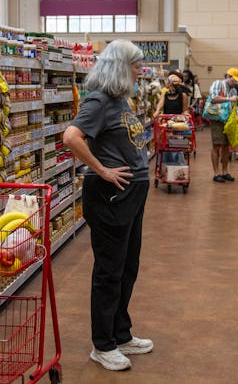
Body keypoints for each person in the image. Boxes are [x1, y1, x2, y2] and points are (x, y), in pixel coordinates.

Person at [63, 39, 153, 372]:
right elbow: (71, 136)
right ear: (120, 66)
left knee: (128, 267)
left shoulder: (120, 100)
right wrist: (101, 169)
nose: (140, 70)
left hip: (131, 197)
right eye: (136, 64)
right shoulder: (99, 101)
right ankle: (102, 345)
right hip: (109, 197)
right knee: (109, 271)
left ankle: (121, 333)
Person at [209, 67, 238, 183]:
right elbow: (213, 98)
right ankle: (216, 173)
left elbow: (234, 106)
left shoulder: (234, 90)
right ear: (227, 76)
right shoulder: (218, 84)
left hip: (228, 121)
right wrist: (229, 99)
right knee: (216, 146)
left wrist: (237, 117)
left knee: (226, 147)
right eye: (233, 80)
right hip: (217, 120)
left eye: (236, 80)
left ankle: (225, 171)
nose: (235, 82)